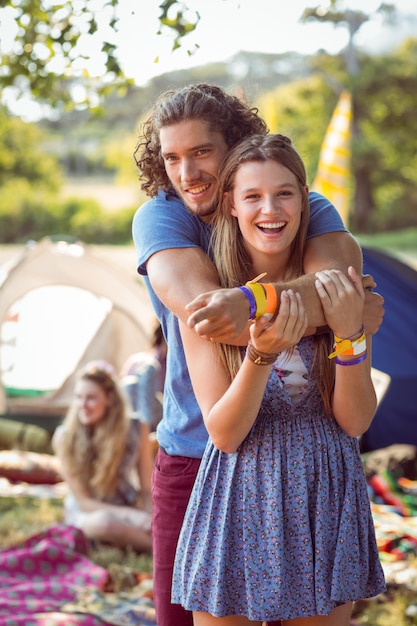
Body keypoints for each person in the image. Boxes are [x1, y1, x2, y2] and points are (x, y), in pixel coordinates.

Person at [132, 83, 384, 625]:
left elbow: (338, 286)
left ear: (239, 144)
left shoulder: (295, 204)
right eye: (172, 157)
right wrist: (331, 312)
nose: (187, 172)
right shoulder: (162, 217)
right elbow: (211, 316)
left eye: (202, 151)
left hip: (310, 466)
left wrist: (335, 317)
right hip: (198, 449)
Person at [52, 360, 153, 552]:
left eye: (91, 398)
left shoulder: (136, 428)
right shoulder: (64, 437)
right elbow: (84, 502)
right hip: (88, 514)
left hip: (127, 507)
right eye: (78, 397)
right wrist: (133, 517)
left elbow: (147, 488)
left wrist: (149, 516)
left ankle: (142, 540)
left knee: (165, 520)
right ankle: (162, 550)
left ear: (109, 398)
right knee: (105, 524)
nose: (83, 405)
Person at [120, 321, 166, 431]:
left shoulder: (137, 360)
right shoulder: (149, 363)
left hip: (142, 418)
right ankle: (144, 430)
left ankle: (143, 429)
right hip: (141, 418)